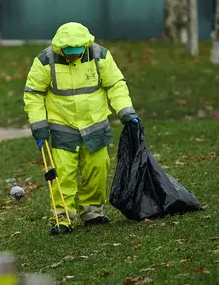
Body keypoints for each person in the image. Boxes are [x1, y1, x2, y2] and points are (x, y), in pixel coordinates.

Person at [23, 22, 138, 235]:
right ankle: (63, 217)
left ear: (85, 46)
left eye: (77, 52)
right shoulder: (45, 61)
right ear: (59, 49)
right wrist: (39, 128)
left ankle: (93, 212)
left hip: (95, 126)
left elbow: (115, 85)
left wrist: (126, 112)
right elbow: (34, 94)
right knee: (62, 174)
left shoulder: (100, 56)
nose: (73, 56)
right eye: (69, 53)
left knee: (97, 169)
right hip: (61, 127)